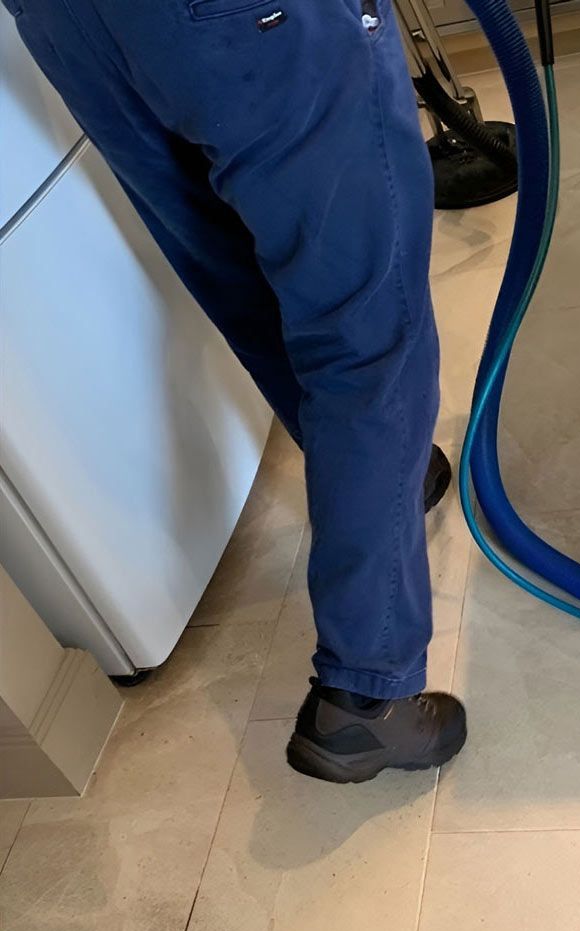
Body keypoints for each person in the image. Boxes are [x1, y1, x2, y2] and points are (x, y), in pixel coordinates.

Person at [4, 0, 467, 783]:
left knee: (244, 281)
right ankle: (365, 696)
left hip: (68, 21)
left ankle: (388, 477)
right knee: (365, 338)